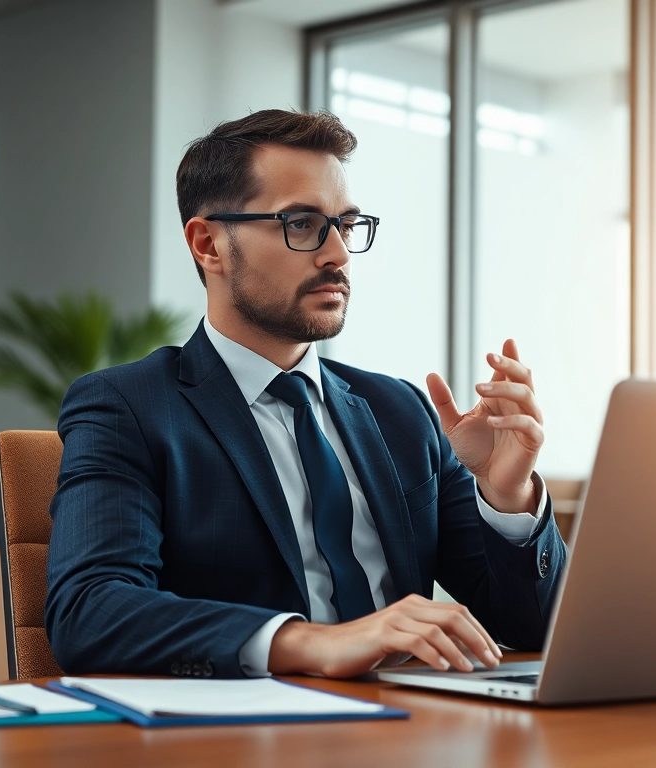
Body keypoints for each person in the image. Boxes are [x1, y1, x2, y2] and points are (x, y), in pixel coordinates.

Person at [45, 109, 567, 679]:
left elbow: (531, 629)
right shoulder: (128, 406)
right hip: (250, 735)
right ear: (208, 244)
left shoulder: (402, 412)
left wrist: (507, 495)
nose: (338, 254)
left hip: (419, 722)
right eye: (301, 224)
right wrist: (311, 643)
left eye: (347, 225)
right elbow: (90, 612)